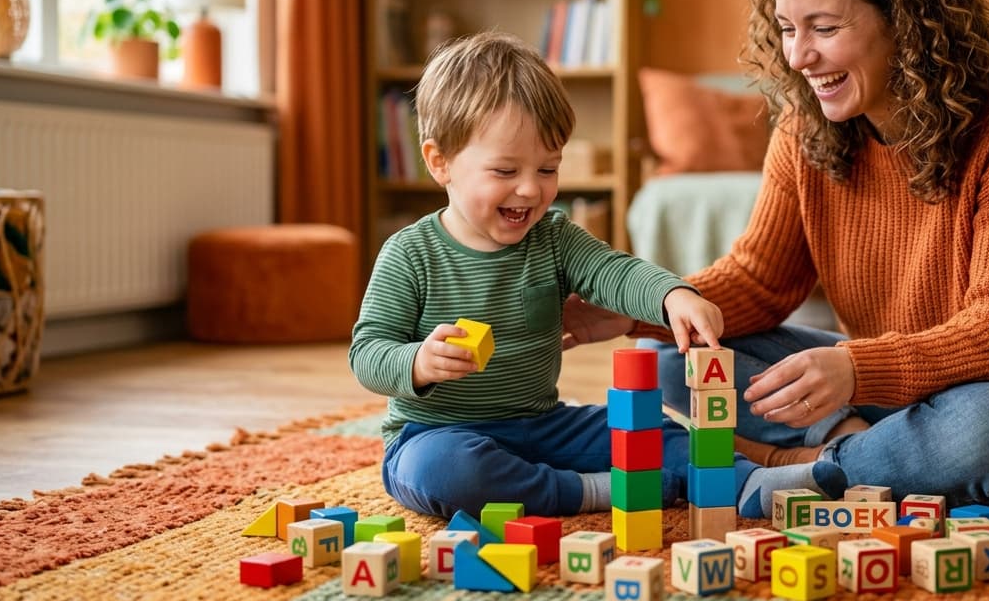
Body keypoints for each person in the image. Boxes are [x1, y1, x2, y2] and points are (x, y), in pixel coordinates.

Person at [562, 0, 989, 509]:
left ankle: (809, 470)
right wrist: (631, 308)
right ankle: (863, 452)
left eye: (824, 28)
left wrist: (854, 369)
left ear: (906, 20)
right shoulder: (806, 126)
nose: (800, 56)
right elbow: (758, 281)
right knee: (673, 354)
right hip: (887, 387)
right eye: (787, 29)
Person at [349, 31, 846, 521]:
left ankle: (747, 484)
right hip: (436, 432)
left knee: (649, 427)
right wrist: (417, 361)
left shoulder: (554, 236)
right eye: (505, 172)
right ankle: (583, 492)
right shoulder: (409, 254)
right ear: (441, 164)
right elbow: (367, 353)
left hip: (545, 424)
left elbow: (615, 272)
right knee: (445, 472)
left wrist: (671, 294)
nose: (529, 190)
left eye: (547, 169)